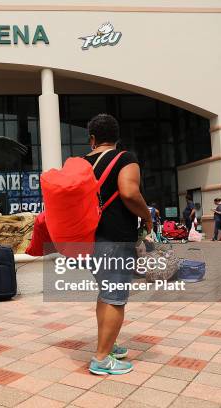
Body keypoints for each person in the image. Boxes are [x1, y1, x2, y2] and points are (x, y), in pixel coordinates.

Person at [83, 113, 152, 375]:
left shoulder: (80, 163)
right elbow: (129, 192)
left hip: (87, 239)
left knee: (106, 293)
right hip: (114, 238)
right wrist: (147, 217)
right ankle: (101, 358)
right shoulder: (125, 158)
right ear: (116, 137)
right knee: (115, 298)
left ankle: (107, 346)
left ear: (92, 139)